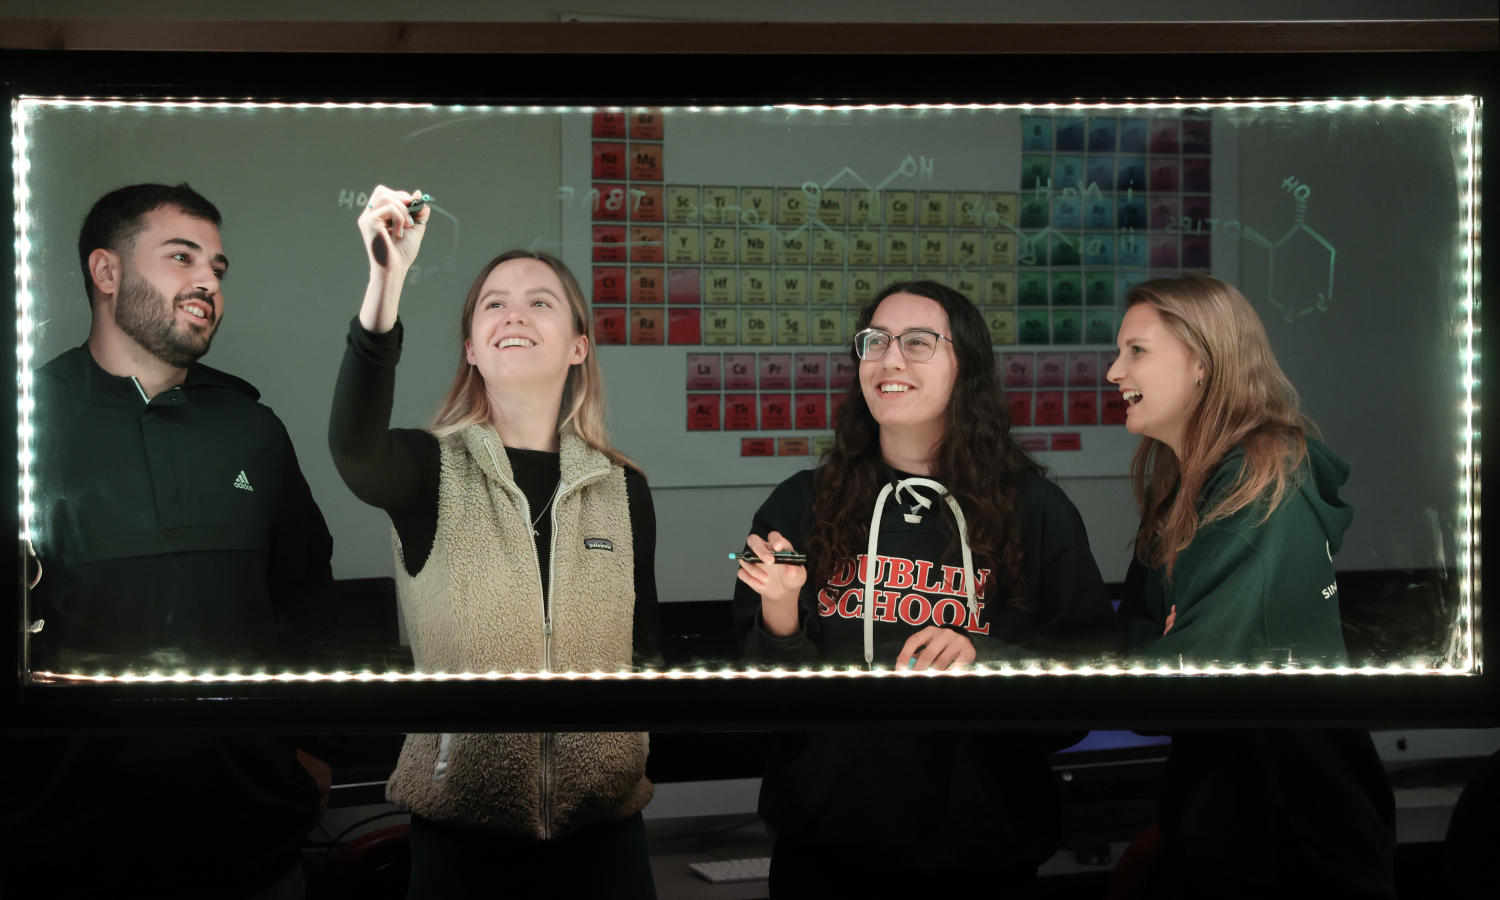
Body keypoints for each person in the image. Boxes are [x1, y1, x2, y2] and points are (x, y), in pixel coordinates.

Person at [732, 280, 1120, 898]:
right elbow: (760, 709)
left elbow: (1091, 689)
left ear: (965, 365)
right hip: (827, 850)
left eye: (917, 342)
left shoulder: (1035, 510)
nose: (889, 360)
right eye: (875, 342)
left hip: (982, 854)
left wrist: (982, 660)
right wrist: (779, 612)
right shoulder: (801, 504)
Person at [329, 185, 662, 899]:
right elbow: (353, 450)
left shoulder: (622, 487)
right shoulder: (427, 469)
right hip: (462, 846)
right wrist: (386, 281)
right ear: (473, 349)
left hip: (605, 841)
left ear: (578, 346)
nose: (515, 312)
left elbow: (646, 657)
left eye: (540, 300)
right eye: (494, 303)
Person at [3, 184, 335, 899]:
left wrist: (310, 745)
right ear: (106, 272)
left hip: (253, 851)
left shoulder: (253, 429)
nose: (207, 282)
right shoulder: (25, 426)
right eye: (181, 257)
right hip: (65, 855)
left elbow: (304, 597)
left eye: (217, 267)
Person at [1108, 275, 1396, 899]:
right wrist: (1159, 638)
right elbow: (1132, 641)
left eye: (1137, 351)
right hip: (1222, 826)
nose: (1113, 371)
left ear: (1202, 365)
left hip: (1296, 837)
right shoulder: (1181, 491)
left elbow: (1172, 682)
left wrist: (1172, 641)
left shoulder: (1263, 485)